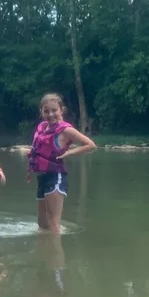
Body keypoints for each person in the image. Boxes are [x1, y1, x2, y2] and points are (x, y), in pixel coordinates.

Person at [26, 92, 97, 234]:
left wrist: (70, 153)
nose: (50, 114)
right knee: (42, 224)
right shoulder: (42, 127)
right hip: (42, 177)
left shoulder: (66, 130)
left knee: (53, 223)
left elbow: (91, 145)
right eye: (46, 111)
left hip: (56, 177)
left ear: (61, 110)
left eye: (54, 110)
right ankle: (44, 254)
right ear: (41, 112)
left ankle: (56, 255)